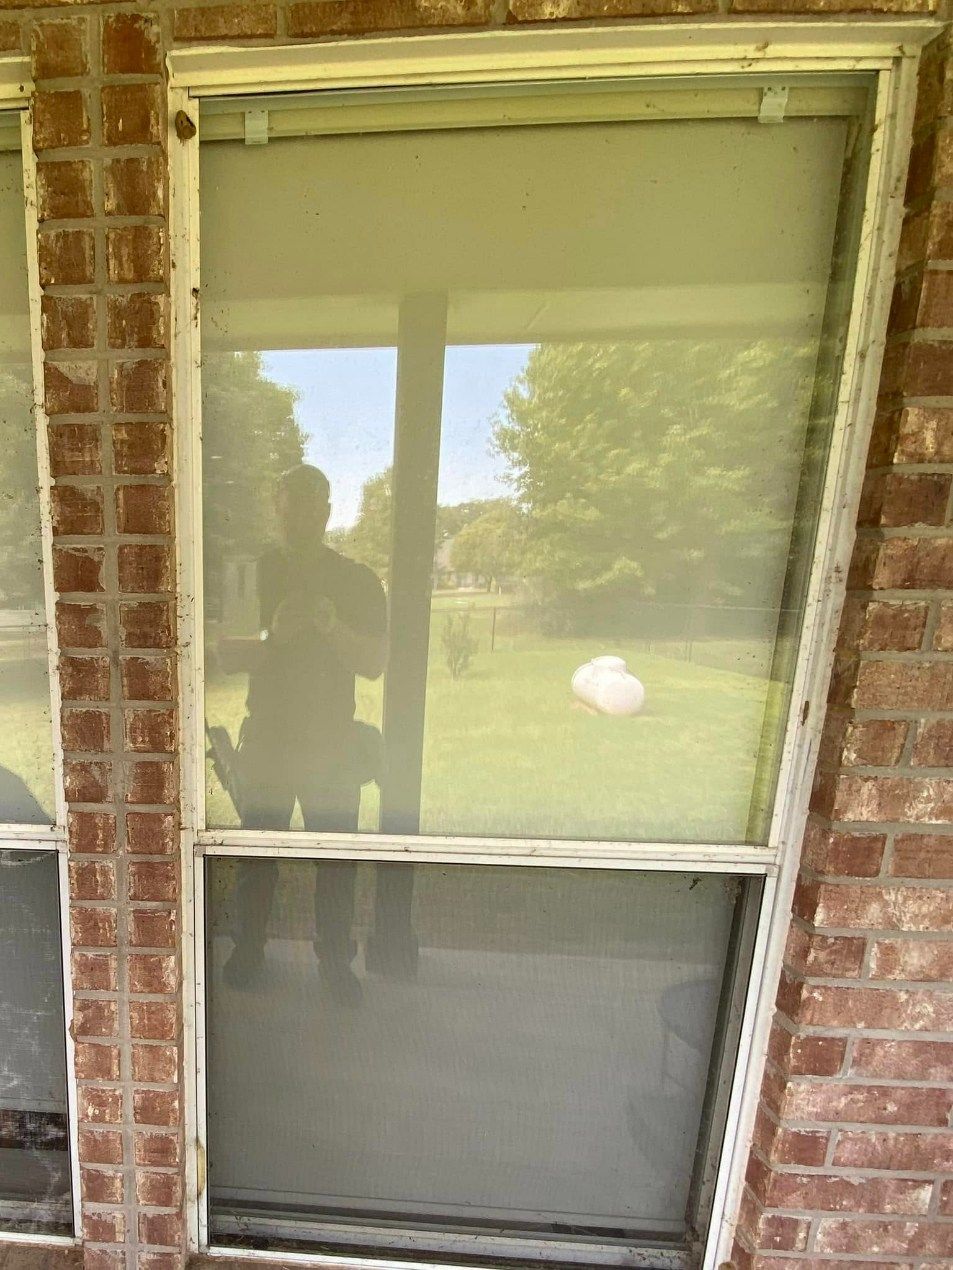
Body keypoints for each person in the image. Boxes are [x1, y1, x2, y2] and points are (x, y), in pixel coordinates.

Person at [219, 464, 387, 1004]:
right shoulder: (251, 576)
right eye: (292, 508)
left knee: (335, 861)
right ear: (278, 508)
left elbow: (375, 663)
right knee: (256, 856)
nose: (302, 519)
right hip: (269, 738)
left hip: (332, 743)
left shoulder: (357, 580)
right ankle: (248, 950)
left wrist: (332, 627)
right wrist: (275, 635)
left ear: (328, 512)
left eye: (313, 508)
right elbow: (227, 656)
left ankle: (336, 963)